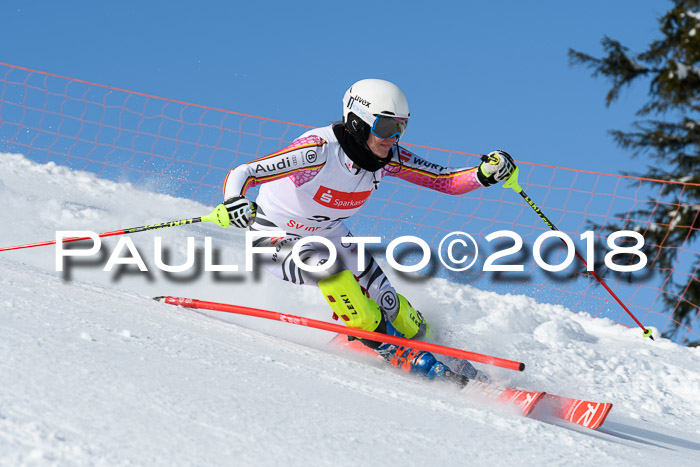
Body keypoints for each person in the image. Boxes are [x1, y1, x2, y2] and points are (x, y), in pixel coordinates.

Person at [222, 79, 516, 382]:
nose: (393, 137)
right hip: (274, 235)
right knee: (333, 274)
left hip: (329, 233)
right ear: (357, 122)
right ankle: (393, 348)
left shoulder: (387, 159)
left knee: (387, 299)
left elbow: (445, 180)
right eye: (385, 127)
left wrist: (485, 174)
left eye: (400, 127)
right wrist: (234, 202)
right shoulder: (317, 152)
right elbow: (245, 173)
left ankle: (435, 349)